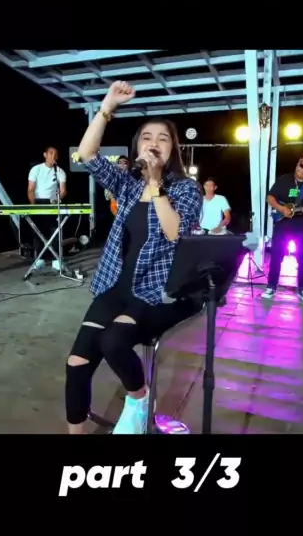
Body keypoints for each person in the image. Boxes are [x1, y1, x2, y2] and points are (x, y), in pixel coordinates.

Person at [65, 81, 203, 435]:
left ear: (173, 150)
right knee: (76, 364)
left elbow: (175, 232)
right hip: (115, 286)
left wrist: (156, 183)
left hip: (157, 291)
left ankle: (140, 400)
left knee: (113, 341)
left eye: (163, 138)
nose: (154, 143)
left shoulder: (185, 189)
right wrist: (107, 107)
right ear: (137, 146)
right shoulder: (127, 184)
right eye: (147, 137)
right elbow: (87, 154)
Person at [261, 153, 303, 302]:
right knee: (276, 255)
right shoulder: (284, 179)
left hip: (302, 224)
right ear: (299, 162)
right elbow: (270, 197)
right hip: (282, 223)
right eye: (302, 165)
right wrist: (281, 209)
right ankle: (271, 286)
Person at [27, 146, 67, 271]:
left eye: (55, 153)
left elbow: (63, 190)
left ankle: (56, 259)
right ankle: (40, 259)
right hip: (38, 202)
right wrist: (33, 206)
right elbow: (31, 189)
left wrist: (58, 198)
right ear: (45, 155)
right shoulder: (36, 169)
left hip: (53, 203)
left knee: (56, 231)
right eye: (51, 153)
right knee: (39, 231)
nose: (53, 155)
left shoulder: (60, 171)